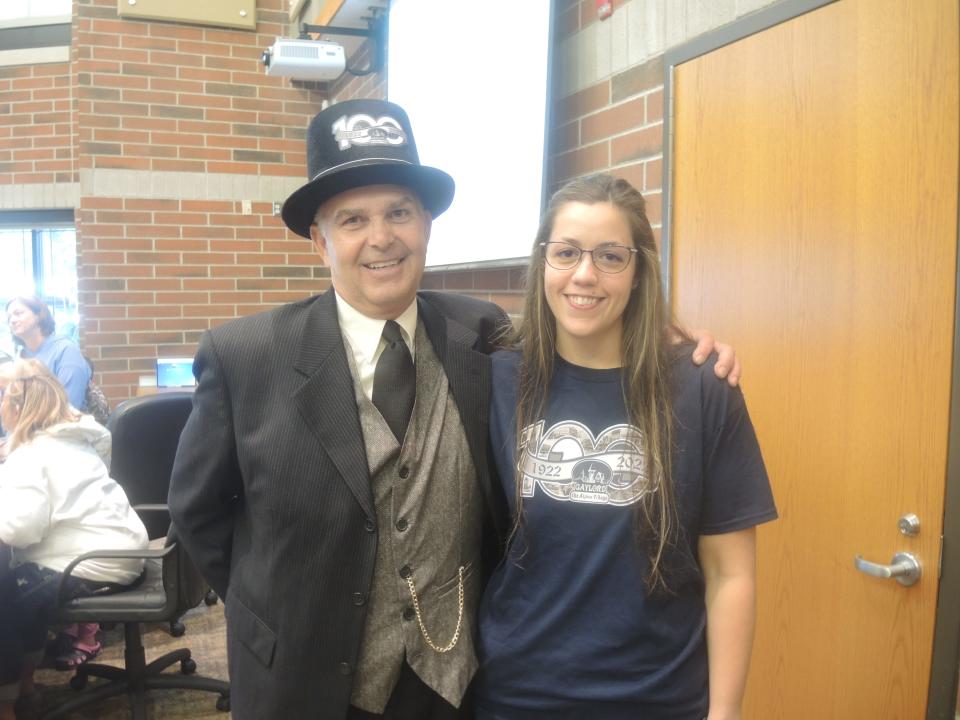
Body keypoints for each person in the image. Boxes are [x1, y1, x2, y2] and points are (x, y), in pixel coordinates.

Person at [167, 99, 740, 720]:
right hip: (304, 687)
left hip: (453, 684)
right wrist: (275, 615)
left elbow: (579, 319)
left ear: (427, 227)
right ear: (319, 239)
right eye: (353, 219)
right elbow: (199, 518)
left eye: (400, 213)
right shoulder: (245, 356)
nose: (381, 237)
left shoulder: (480, 335)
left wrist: (676, 347)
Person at [472, 174, 778, 720]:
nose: (584, 275)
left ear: (638, 272)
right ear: (543, 261)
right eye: (566, 253)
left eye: (611, 257)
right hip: (519, 695)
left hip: (659, 697)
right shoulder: (497, 380)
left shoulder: (700, 389)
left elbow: (731, 574)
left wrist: (726, 710)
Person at [0, 360, 148, 720]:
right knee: (16, 590)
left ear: (16, 407)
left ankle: (7, 705)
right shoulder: (75, 440)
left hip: (93, 563)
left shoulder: (31, 455)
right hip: (125, 552)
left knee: (5, 600)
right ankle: (28, 689)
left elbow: (20, 531)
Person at [6, 297, 91, 413]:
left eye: (18, 314)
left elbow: (69, 406)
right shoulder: (19, 357)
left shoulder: (66, 351)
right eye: (9, 317)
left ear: (39, 315)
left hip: (61, 427)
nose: (12, 320)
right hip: (22, 428)